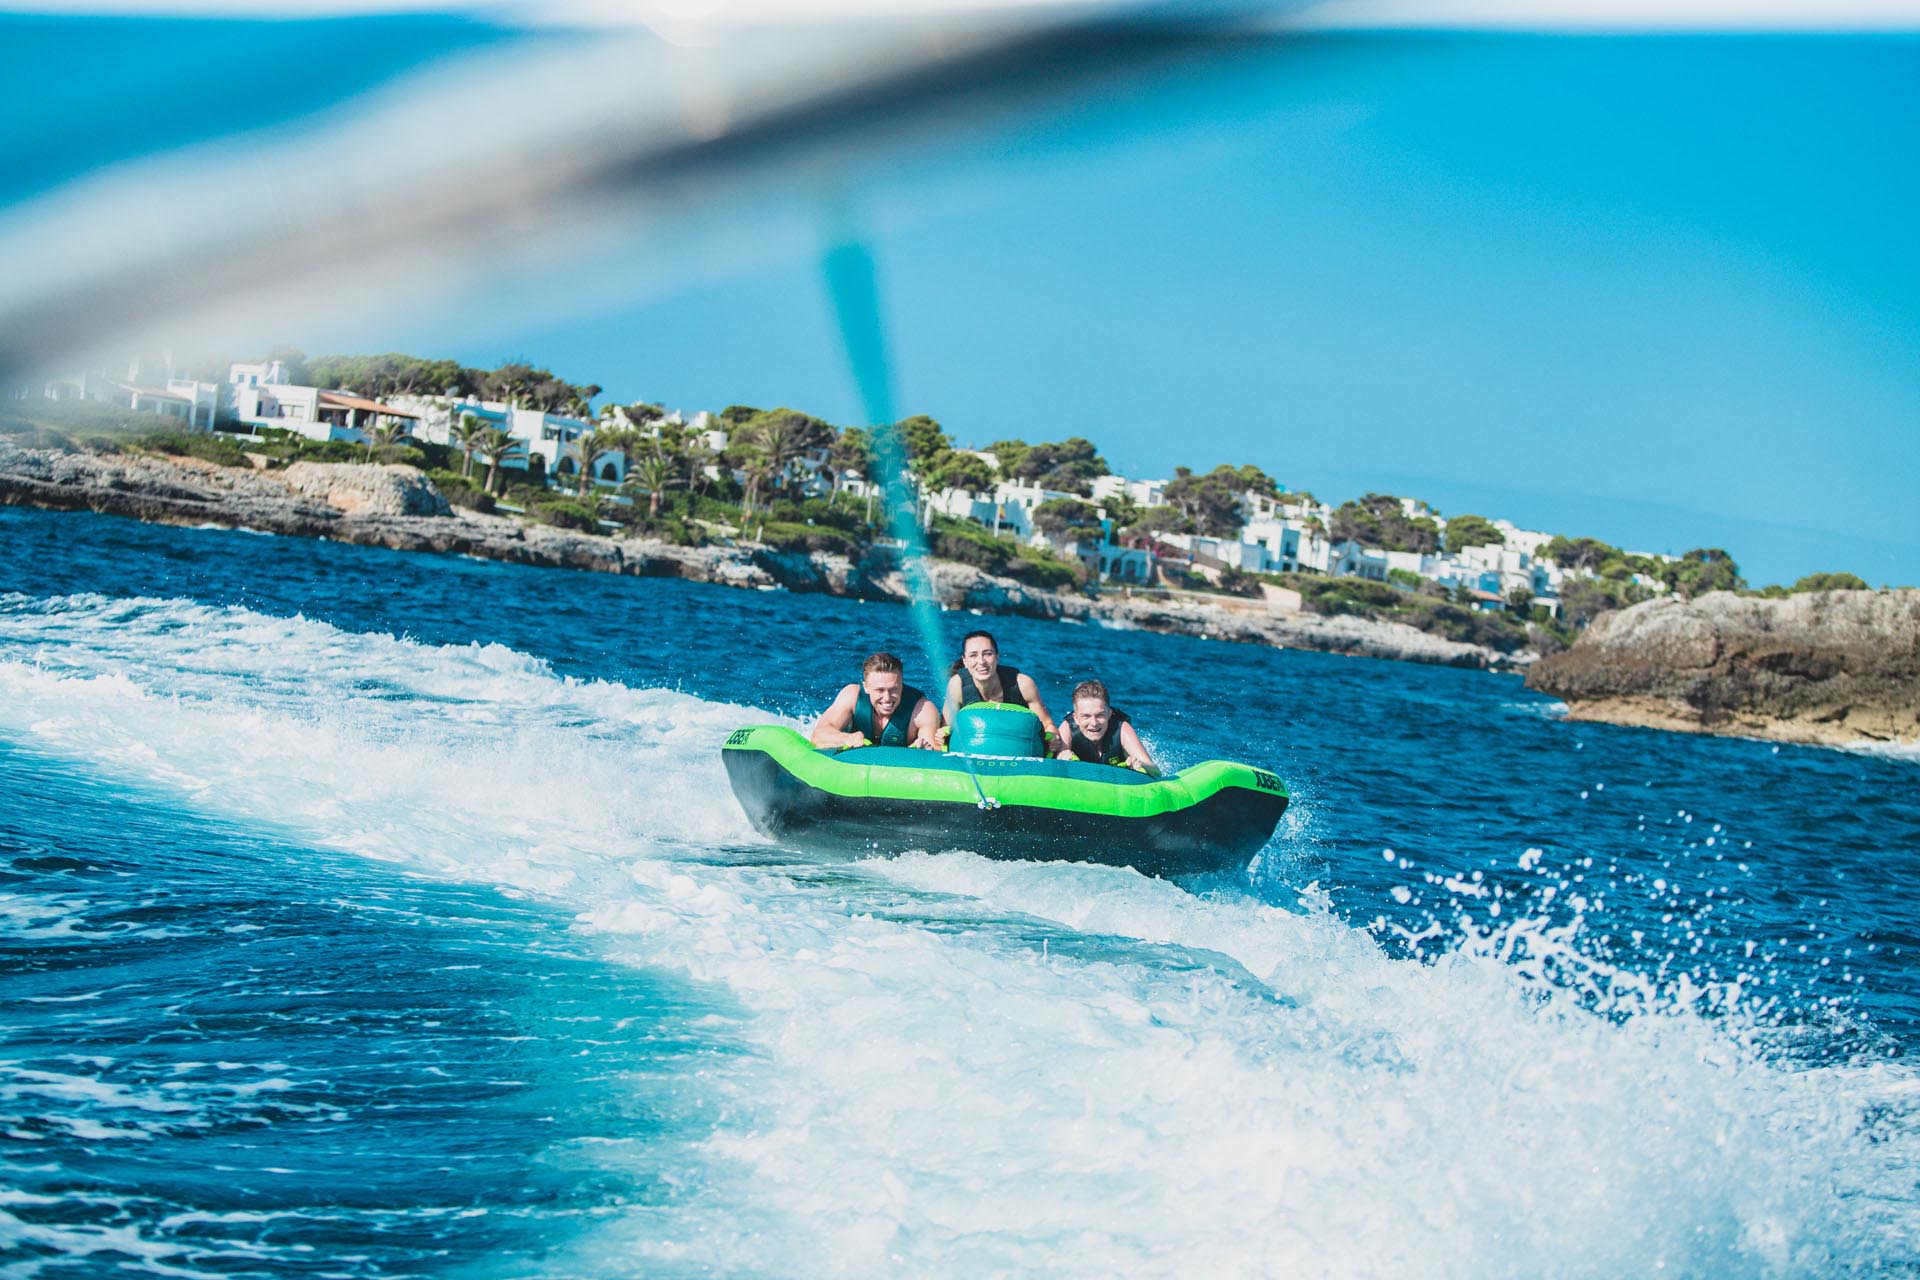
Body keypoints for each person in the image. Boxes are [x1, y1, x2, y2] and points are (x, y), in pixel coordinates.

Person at [942, 629, 1058, 751]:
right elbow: (945, 729)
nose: (981, 661)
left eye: (988, 654)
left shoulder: (1023, 685)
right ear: (965, 661)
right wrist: (941, 736)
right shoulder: (957, 685)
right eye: (973, 655)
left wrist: (1053, 738)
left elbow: (1048, 725)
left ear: (997, 656)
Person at [810, 652, 943, 750]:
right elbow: (818, 736)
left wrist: (923, 750)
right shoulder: (852, 696)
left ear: (902, 685)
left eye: (894, 689)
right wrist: (847, 738)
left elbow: (934, 752)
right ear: (866, 687)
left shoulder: (923, 710)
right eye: (880, 690)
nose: (887, 698)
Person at [1055, 679, 1157, 773]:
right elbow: (1053, 765)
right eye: (1086, 716)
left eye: (1100, 715)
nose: (1094, 723)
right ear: (1076, 718)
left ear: (1109, 714)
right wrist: (1061, 757)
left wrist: (1139, 764)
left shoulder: (1122, 729)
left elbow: (1156, 771)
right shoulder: (1067, 729)